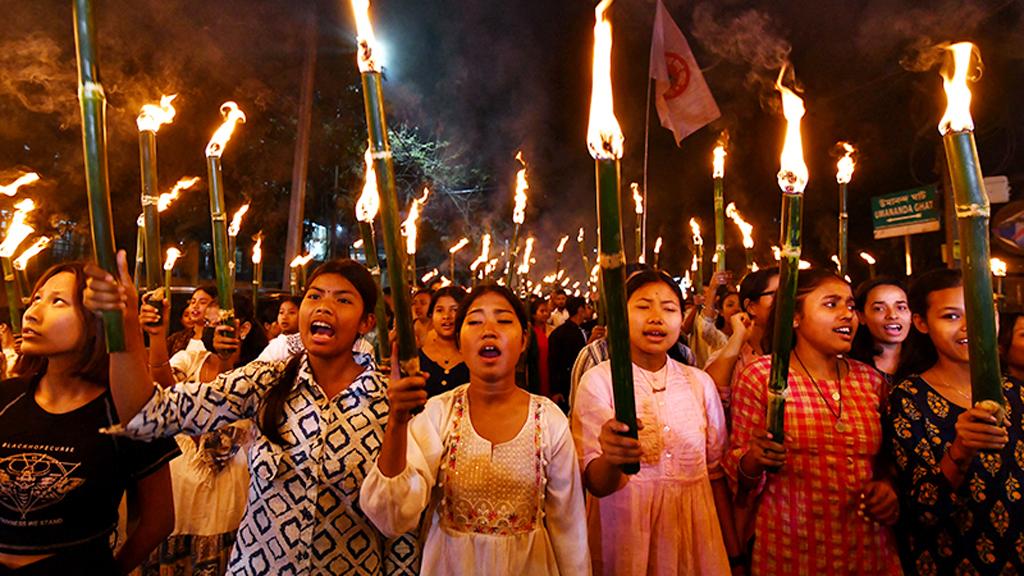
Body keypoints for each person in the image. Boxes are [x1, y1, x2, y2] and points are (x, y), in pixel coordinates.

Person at [84, 255, 420, 575]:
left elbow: (397, 526)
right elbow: (149, 413)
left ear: (367, 322)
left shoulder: (391, 397)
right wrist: (125, 324)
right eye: (314, 296)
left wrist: (397, 421)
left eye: (343, 300)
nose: (323, 306)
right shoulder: (266, 380)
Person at [360, 284, 590, 575]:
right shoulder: (438, 413)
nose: (489, 330)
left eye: (504, 321)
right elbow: (392, 516)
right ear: (459, 341)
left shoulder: (549, 420)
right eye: (475, 321)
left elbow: (569, 528)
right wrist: (396, 421)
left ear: (524, 340)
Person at [0, 261, 178, 574]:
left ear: (98, 320)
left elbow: (158, 520)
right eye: (36, 299)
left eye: (58, 301)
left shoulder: (127, 409)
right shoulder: (6, 397)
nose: (32, 313)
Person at [725, 268, 901, 574]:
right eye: (831, 305)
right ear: (795, 317)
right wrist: (755, 458)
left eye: (850, 306)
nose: (847, 315)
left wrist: (887, 487)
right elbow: (738, 472)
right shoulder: (762, 377)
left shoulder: (871, 381)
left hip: (867, 547)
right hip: (791, 549)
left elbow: (889, 460)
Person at [573, 269, 739, 574]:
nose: (656, 317)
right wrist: (612, 458)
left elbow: (715, 475)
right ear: (620, 316)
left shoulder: (699, 383)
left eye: (669, 308)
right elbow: (594, 482)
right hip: (624, 536)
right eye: (643, 306)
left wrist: (734, 551)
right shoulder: (599, 382)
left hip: (695, 536)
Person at [885, 268, 1022, 574]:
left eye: (981, 312)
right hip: (954, 560)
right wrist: (960, 450)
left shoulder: (1018, 392)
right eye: (950, 316)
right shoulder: (909, 399)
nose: (969, 327)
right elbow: (924, 509)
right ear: (921, 323)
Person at [704, 267, 777, 411]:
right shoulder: (735, 358)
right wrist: (738, 337)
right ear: (751, 307)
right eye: (777, 295)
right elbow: (710, 399)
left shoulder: (802, 352)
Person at [849, 277, 910, 387]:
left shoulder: (928, 364)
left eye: (901, 307)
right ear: (861, 316)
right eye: (879, 309)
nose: (892, 315)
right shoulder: (848, 368)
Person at [418, 286, 469, 398]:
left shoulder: (474, 358)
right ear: (431, 316)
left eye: (454, 310)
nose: (446, 316)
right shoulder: (417, 359)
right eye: (440, 310)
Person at [548, 296, 593, 411]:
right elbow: (553, 363)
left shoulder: (581, 329)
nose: (591, 310)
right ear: (580, 310)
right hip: (567, 386)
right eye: (587, 307)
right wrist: (556, 390)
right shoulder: (561, 334)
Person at [165, 287, 218, 357]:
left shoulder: (219, 339)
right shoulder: (176, 338)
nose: (195, 306)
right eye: (193, 302)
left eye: (202, 302)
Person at [525, 297, 552, 397]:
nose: (546, 314)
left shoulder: (552, 330)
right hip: (536, 370)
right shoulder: (530, 333)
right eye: (542, 311)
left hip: (550, 370)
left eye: (547, 311)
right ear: (533, 314)